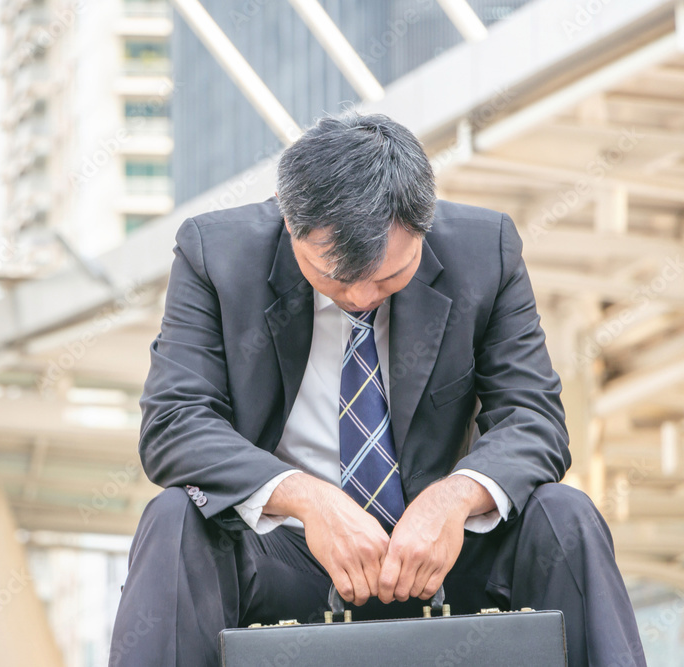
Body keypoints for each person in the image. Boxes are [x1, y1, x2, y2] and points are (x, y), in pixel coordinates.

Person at [108, 113, 645, 666]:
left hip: (446, 559)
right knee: (173, 518)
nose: (362, 296)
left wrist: (454, 499)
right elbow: (175, 422)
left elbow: (534, 418)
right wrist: (310, 502)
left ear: (424, 223)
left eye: (390, 275)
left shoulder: (488, 251)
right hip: (285, 560)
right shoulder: (213, 255)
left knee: (565, 513)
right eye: (336, 276)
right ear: (286, 217)